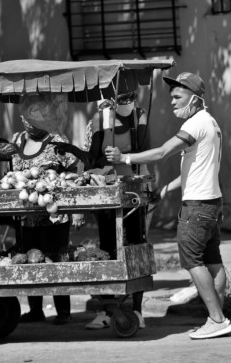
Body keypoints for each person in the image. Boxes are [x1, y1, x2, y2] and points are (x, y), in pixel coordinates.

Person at [105, 72, 231, 340]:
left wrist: (125, 157)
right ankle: (218, 317)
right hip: (211, 203)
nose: (173, 102)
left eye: (178, 97)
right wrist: (166, 189)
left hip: (197, 207)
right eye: (172, 97)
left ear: (195, 99)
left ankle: (217, 319)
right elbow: (194, 169)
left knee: (192, 261)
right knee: (213, 262)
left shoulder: (196, 123)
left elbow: (163, 151)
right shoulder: (210, 123)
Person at [84, 91, 150, 330]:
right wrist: (100, 167)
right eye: (120, 99)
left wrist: (125, 158)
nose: (125, 104)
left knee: (135, 247)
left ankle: (137, 310)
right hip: (107, 190)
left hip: (133, 191)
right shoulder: (99, 118)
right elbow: (91, 158)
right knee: (107, 248)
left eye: (129, 99)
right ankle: (105, 310)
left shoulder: (139, 117)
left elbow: (146, 151)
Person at [12, 95, 79, 325]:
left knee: (56, 259)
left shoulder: (57, 140)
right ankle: (35, 309)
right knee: (31, 259)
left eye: (39, 116)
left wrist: (76, 208)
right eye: (29, 117)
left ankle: (63, 312)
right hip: (25, 216)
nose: (32, 122)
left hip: (54, 216)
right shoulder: (17, 140)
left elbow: (73, 172)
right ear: (23, 117)